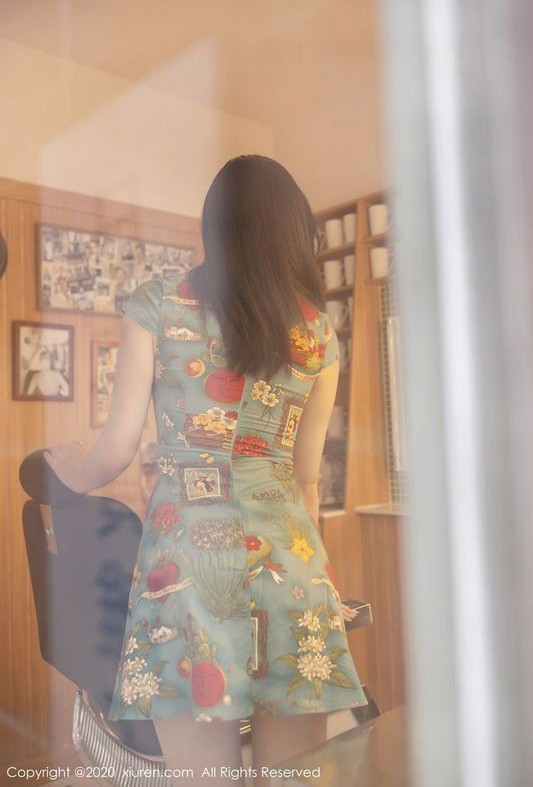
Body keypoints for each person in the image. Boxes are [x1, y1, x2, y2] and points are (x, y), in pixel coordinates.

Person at [44, 155, 368, 786]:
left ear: (213, 225)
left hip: (187, 568)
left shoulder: (159, 305)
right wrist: (318, 579)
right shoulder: (317, 334)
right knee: (293, 777)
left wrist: (73, 474)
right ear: (293, 230)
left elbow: (118, 446)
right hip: (291, 567)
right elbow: (306, 476)